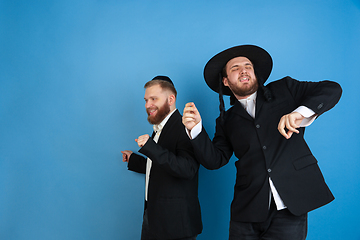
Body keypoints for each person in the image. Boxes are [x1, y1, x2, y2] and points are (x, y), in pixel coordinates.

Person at [182, 45, 342, 240]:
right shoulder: (226, 120)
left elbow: (332, 88)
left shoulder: (285, 89)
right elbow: (215, 160)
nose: (243, 70)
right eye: (235, 68)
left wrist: (299, 113)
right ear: (225, 81)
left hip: (291, 205)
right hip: (247, 209)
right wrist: (196, 130)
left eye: (248, 65)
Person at [122, 75, 202, 240]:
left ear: (171, 99)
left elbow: (187, 169)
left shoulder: (185, 127)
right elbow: (161, 166)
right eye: (146, 100)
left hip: (176, 225)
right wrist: (134, 160)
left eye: (153, 99)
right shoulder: (160, 128)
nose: (147, 105)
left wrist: (151, 147)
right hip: (152, 217)